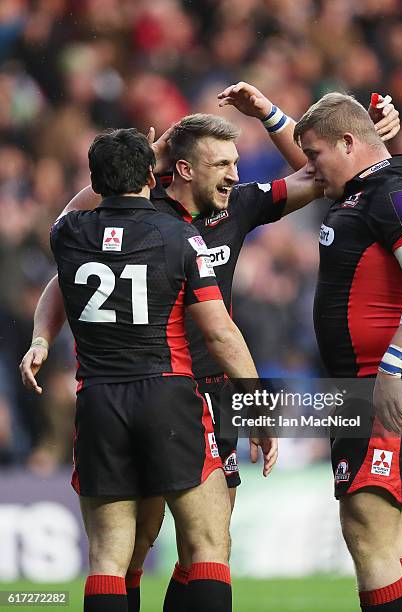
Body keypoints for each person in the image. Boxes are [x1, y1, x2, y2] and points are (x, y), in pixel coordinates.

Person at [20, 97, 399, 611]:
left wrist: (278, 117)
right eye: (222, 164)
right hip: (172, 389)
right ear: (181, 168)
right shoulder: (151, 217)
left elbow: (316, 173)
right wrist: (137, 164)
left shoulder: (238, 204)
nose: (233, 175)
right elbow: (67, 266)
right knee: (146, 542)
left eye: (235, 164)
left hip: (212, 393)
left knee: (204, 537)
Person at [227, 86, 402, 612]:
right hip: (367, 389)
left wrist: (393, 366)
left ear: (350, 142)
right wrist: (268, 114)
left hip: (394, 386)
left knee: (370, 535)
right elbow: (315, 164)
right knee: (381, 536)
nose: (309, 167)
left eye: (317, 154)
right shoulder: (360, 191)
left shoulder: (397, 192)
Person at [43, 126, 269, 612]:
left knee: (108, 557)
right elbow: (220, 333)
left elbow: (71, 210)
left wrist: (146, 157)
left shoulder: (68, 234)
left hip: (100, 399)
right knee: (208, 545)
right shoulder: (180, 236)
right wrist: (259, 405)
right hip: (168, 394)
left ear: (95, 179)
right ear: (154, 174)